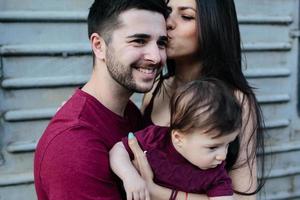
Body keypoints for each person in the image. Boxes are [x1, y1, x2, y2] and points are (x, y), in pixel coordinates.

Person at [128, 0, 266, 199]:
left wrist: (158, 192)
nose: (168, 23)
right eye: (167, 12)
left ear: (214, 26)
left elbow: (244, 198)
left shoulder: (235, 100)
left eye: (186, 16)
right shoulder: (155, 91)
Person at [33, 0, 169, 199]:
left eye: (161, 43)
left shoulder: (128, 112)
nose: (156, 57)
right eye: (139, 41)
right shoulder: (73, 144)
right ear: (99, 46)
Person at [110, 79, 243, 200]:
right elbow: (117, 150)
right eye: (213, 147)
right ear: (178, 138)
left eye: (228, 145)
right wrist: (129, 176)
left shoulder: (216, 173)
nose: (222, 156)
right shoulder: (156, 139)